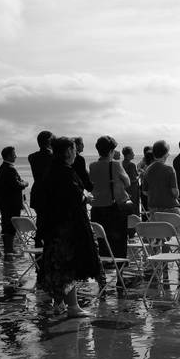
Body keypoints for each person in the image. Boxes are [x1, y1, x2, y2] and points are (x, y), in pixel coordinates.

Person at [38, 136, 100, 317]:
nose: (75, 153)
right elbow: (71, 197)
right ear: (67, 152)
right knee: (67, 265)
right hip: (67, 226)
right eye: (73, 150)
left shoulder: (51, 170)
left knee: (58, 266)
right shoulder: (65, 172)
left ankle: (60, 304)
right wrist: (85, 198)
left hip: (53, 225)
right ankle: (72, 307)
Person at [89, 135, 131, 258]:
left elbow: (91, 184)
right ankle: (119, 273)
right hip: (113, 208)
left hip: (97, 208)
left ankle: (104, 271)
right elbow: (127, 183)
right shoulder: (116, 165)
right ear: (111, 151)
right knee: (119, 245)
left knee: (102, 242)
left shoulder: (92, 166)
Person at [0, 146, 28, 255]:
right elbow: (16, 185)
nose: (16, 156)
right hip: (12, 203)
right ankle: (9, 249)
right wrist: (25, 184)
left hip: (4, 202)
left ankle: (8, 249)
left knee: (6, 225)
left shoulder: (2, 168)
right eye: (14, 154)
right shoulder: (10, 168)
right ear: (9, 155)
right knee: (11, 226)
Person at [27, 130, 54, 244]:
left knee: (40, 220)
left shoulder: (32, 157)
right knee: (50, 222)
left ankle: (38, 244)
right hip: (49, 193)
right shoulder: (53, 156)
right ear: (49, 141)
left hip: (37, 191)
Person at [144, 140, 180, 218]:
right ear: (165, 154)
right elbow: (175, 192)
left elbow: (145, 192)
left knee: (158, 230)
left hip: (154, 211)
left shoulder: (147, 170)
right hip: (170, 209)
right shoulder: (169, 169)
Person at [121, 146, 141, 211]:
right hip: (133, 189)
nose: (134, 154)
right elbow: (133, 179)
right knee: (134, 207)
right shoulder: (131, 165)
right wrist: (140, 175)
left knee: (127, 208)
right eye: (132, 153)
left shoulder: (122, 163)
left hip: (125, 189)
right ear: (128, 155)